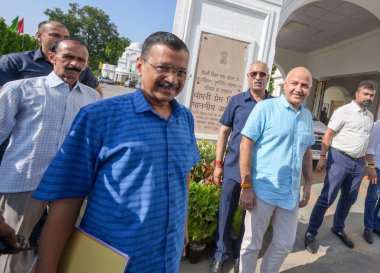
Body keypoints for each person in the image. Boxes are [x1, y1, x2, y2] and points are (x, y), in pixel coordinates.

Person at [33, 32, 200, 273]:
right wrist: (46, 268)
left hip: (166, 258)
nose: (172, 79)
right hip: (110, 259)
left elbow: (183, 174)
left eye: (181, 72)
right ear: (140, 66)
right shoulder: (99, 117)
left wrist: (182, 227)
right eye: (163, 68)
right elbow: (67, 198)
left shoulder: (185, 118)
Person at [0, 39, 101, 273]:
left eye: (81, 60)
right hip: (23, 183)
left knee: (58, 252)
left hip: (69, 189)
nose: (74, 63)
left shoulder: (91, 98)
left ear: (86, 65)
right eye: (68, 57)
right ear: (52, 57)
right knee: (12, 250)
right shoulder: (20, 89)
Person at [238, 67, 314, 273]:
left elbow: (307, 152)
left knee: (284, 244)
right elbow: (246, 145)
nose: (299, 89)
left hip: (290, 194)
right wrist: (246, 185)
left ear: (309, 89)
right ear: (285, 84)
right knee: (251, 244)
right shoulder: (265, 108)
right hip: (262, 191)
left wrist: (308, 183)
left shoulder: (307, 116)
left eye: (305, 85)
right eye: (295, 83)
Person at [0, 20, 103, 163]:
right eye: (55, 35)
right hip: (19, 148)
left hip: (62, 156)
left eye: (66, 37)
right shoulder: (14, 63)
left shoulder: (79, 69)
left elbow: (95, 96)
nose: (74, 63)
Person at [210, 61, 273, 273]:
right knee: (225, 214)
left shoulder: (274, 105)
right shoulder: (237, 101)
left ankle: (240, 255)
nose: (258, 77)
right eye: (254, 73)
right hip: (232, 169)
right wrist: (218, 165)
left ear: (268, 78)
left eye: (262, 74)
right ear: (248, 76)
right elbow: (223, 132)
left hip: (260, 174)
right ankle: (221, 254)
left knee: (251, 218)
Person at [305, 80, 376, 253]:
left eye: (372, 95)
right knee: (327, 197)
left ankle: (338, 227)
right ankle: (311, 233)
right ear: (357, 94)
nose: (369, 97)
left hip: (358, 163)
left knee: (349, 198)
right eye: (365, 94)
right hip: (339, 159)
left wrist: (369, 164)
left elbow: (367, 143)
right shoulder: (343, 112)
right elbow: (328, 134)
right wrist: (322, 156)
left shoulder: (370, 117)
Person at [363, 120, 380, 244]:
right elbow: (370, 146)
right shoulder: (379, 125)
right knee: (373, 197)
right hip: (378, 167)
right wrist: (371, 166)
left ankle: (376, 225)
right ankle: (368, 228)